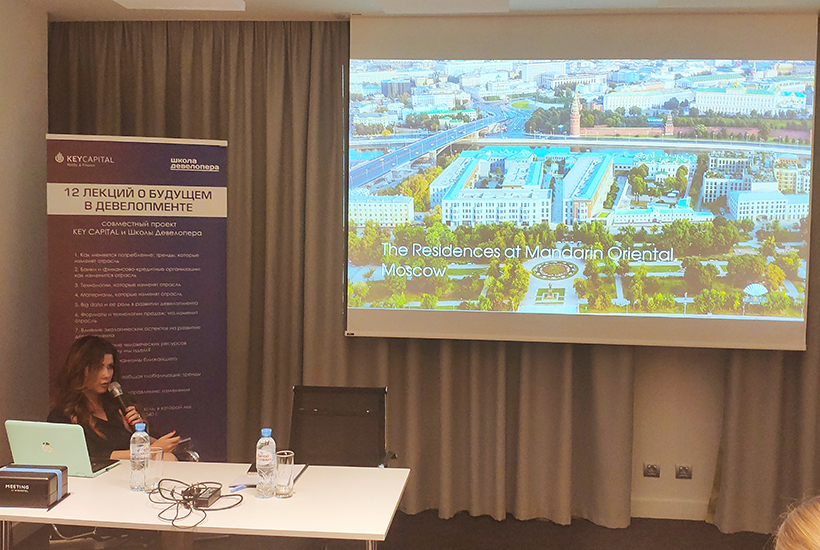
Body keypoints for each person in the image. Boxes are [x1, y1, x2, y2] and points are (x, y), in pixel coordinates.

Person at [48, 335, 179, 461]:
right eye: (99, 367)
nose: (106, 375)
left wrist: (140, 433)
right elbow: (90, 456)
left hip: (133, 470)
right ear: (81, 369)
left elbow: (155, 447)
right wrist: (148, 452)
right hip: (98, 474)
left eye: (110, 367)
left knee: (168, 458)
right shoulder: (63, 415)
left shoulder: (118, 403)